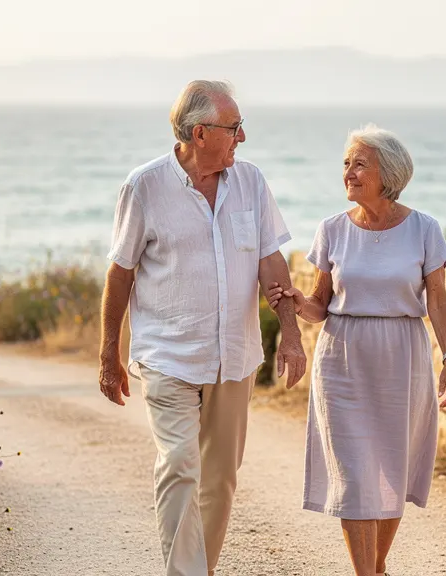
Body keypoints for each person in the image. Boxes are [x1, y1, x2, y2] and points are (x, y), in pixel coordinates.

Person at [99, 80, 307, 576]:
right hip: (167, 356)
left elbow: (271, 261)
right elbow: (120, 272)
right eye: (234, 128)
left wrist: (292, 335)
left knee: (220, 480)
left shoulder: (251, 182)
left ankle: (200, 569)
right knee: (179, 468)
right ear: (199, 133)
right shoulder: (144, 186)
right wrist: (109, 353)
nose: (242, 139)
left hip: (233, 357)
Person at [267, 124, 446, 576]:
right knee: (354, 473)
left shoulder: (424, 229)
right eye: (345, 164)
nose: (349, 172)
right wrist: (300, 304)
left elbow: (438, 300)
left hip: (403, 356)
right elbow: (321, 305)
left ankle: (376, 567)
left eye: (359, 164)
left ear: (386, 174)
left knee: (393, 469)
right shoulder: (332, 229)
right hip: (342, 359)